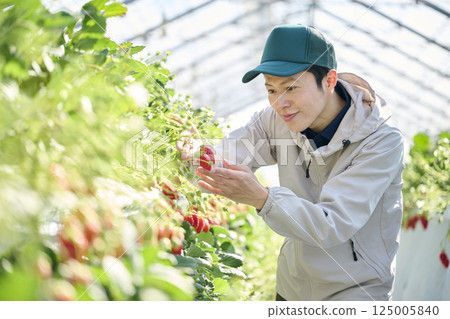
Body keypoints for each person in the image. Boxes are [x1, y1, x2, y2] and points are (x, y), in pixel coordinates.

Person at [177, 24, 404, 301]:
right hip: (292, 285)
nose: (279, 102)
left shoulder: (380, 141)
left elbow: (331, 223)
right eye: (271, 90)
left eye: (291, 87)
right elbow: (229, 154)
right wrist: (195, 154)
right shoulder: (276, 121)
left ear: (329, 81)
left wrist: (263, 198)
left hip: (355, 291)